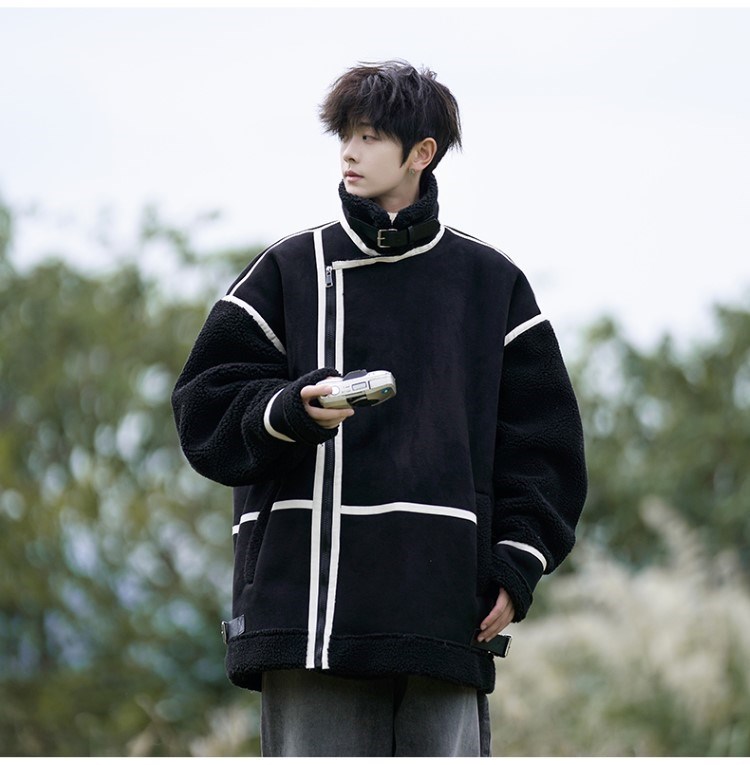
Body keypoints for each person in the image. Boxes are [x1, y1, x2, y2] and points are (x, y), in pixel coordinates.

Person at [172, 60, 587, 757]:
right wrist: (290, 409)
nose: (350, 153)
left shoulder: (492, 284)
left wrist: (517, 567)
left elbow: (547, 450)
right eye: (345, 136)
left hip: (444, 611)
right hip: (308, 615)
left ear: (422, 152)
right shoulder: (287, 268)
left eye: (369, 137)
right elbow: (202, 410)